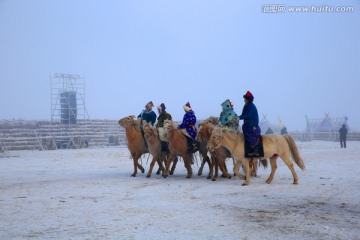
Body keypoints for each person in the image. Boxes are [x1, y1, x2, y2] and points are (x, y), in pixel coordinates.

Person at [238, 91, 261, 156]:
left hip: (252, 124)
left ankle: (255, 150)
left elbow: (248, 115)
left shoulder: (252, 106)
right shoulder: (246, 106)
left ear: (248, 99)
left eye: (245, 99)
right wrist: (237, 117)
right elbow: (243, 115)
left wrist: (239, 118)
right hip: (247, 124)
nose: (244, 100)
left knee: (250, 135)